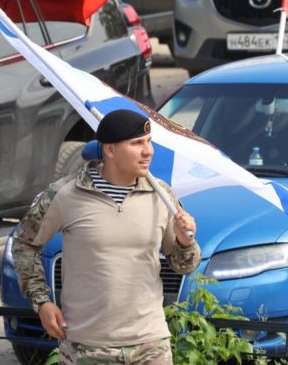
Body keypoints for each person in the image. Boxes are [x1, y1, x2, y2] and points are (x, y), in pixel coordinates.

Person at [12, 109, 201, 364]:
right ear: (110, 150)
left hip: (151, 344)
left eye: (149, 142)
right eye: (137, 143)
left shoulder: (162, 195)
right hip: (87, 347)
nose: (148, 151)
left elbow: (184, 265)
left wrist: (185, 242)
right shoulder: (65, 194)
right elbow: (24, 244)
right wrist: (42, 302)